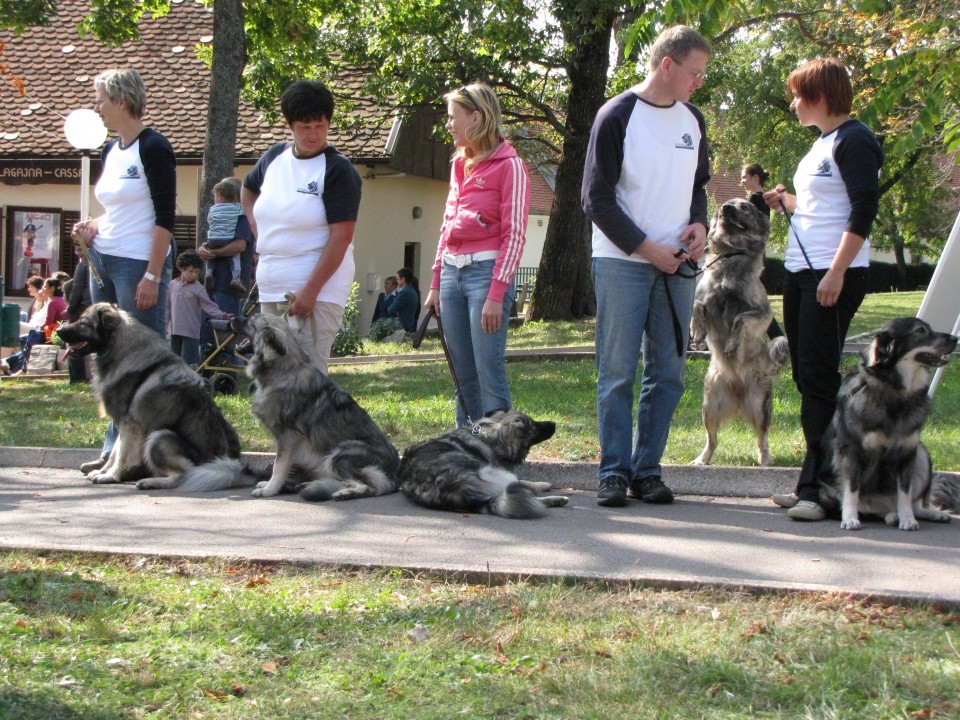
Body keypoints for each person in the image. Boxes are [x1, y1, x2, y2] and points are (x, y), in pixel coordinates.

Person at [581, 25, 711, 507]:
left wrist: (698, 223)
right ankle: (613, 472)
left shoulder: (692, 120)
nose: (699, 82)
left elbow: (698, 185)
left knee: (669, 373)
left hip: (677, 265)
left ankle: (647, 470)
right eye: (695, 73)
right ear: (668, 65)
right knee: (617, 372)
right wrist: (645, 248)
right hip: (622, 261)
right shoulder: (617, 114)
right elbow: (594, 198)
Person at [766, 58, 882, 522]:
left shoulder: (856, 140)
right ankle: (812, 483)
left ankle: (823, 490)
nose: (793, 103)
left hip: (830, 275)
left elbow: (862, 210)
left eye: (798, 95)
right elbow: (818, 206)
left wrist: (836, 272)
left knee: (818, 379)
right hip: (800, 271)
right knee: (807, 377)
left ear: (820, 96)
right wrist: (786, 201)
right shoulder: (823, 143)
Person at [71, 68, 176, 473]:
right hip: (105, 262)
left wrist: (152, 275)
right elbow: (118, 208)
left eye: (100, 99)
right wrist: (92, 226)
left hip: (139, 263)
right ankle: (114, 447)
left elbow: (165, 214)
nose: (97, 107)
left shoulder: (154, 147)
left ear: (121, 99)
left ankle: (150, 451)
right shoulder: (110, 150)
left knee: (143, 358)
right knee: (110, 360)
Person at [422, 82, 530, 428]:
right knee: (463, 376)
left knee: (488, 372)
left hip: (486, 275)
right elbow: (447, 226)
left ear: (477, 117)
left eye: (454, 117)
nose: (449, 125)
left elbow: (515, 234)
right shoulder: (459, 164)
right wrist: (436, 282)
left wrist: (497, 293)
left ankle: (502, 460)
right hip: (452, 275)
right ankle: (466, 451)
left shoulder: (510, 165)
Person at [242, 79, 362, 373]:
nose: (313, 134)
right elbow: (247, 190)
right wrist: (261, 235)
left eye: (320, 126)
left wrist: (310, 290)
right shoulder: (274, 157)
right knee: (272, 376)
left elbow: (341, 236)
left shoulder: (338, 170)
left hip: (316, 289)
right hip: (272, 285)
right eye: (305, 127)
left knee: (306, 379)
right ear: (290, 125)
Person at [197, 177, 255, 318]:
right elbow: (216, 238)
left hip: (230, 284)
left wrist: (213, 252)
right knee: (208, 328)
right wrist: (202, 249)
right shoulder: (223, 214)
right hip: (212, 283)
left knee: (228, 330)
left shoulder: (243, 216)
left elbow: (239, 246)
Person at [740, 162, 785, 340]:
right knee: (752, 299)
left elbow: (746, 229)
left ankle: (776, 337)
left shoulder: (754, 200)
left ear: (755, 177)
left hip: (751, 258)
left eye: (744, 176)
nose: (741, 180)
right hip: (758, 256)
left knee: (753, 300)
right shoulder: (763, 200)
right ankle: (770, 337)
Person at [169, 250, 231, 366]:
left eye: (197, 272)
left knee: (189, 363)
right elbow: (168, 306)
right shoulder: (172, 285)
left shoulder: (199, 288)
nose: (194, 275)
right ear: (182, 269)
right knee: (174, 362)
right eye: (191, 271)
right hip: (175, 330)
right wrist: (165, 323)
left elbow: (209, 306)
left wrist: (222, 315)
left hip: (191, 331)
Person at [203, 179, 247, 295]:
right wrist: (202, 250)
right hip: (216, 286)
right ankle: (235, 278)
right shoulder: (239, 211)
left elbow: (239, 246)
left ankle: (208, 273)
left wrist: (210, 252)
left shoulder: (213, 209)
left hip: (226, 288)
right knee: (234, 258)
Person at [65, 258, 93, 383]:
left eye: (79, 249)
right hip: (97, 308)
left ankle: (77, 378)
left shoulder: (82, 266)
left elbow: (76, 290)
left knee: (74, 345)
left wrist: (70, 311)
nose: (78, 253)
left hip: (82, 309)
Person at [387, 267, 420, 332]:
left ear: (403, 279)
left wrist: (397, 311)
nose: (397, 281)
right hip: (410, 325)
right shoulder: (412, 291)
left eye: (398, 279)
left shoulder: (404, 292)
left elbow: (391, 310)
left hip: (403, 328)